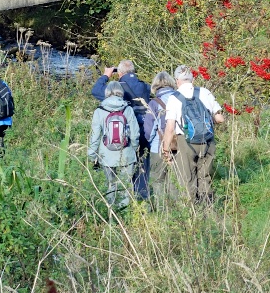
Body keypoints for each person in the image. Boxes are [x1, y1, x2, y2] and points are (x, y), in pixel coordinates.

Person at [161, 65, 224, 205]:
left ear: (177, 80)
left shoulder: (174, 98)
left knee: (188, 178)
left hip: (186, 142)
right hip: (208, 140)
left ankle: (192, 210)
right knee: (205, 176)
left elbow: (170, 128)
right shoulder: (205, 92)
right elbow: (220, 119)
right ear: (193, 79)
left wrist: (166, 149)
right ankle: (208, 207)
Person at [92, 59, 151, 200]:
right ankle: (141, 198)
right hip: (145, 131)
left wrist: (106, 75)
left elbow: (95, 90)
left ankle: (116, 199)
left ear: (119, 73)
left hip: (122, 135)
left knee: (119, 171)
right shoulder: (145, 87)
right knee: (142, 166)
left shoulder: (118, 88)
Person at [88, 80, 141, 209]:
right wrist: (134, 149)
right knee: (125, 186)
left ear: (106, 93)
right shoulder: (127, 109)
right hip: (126, 153)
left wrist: (91, 155)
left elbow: (95, 136)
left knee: (110, 185)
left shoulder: (99, 110)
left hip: (106, 156)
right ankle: (124, 212)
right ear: (121, 92)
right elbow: (135, 134)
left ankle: (111, 211)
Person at [146, 71, 180, 206]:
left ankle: (161, 208)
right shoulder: (180, 98)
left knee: (158, 180)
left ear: (155, 86)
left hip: (158, 147)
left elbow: (149, 130)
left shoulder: (154, 103)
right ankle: (177, 209)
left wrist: (146, 144)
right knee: (175, 181)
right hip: (179, 145)